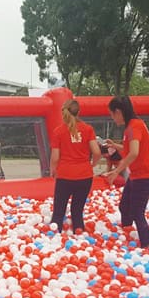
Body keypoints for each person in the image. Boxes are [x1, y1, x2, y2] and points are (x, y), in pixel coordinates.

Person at [103, 96, 149, 248]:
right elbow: (131, 149)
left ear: (119, 112)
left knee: (137, 212)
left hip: (144, 175)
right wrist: (115, 144)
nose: (113, 118)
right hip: (137, 175)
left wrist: (116, 171)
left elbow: (134, 153)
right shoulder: (132, 126)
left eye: (112, 114)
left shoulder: (134, 126)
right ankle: (127, 236)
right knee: (124, 207)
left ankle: (145, 247)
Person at [48, 99, 100, 234]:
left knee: (59, 211)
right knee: (77, 210)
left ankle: (55, 236)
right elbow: (96, 152)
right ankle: (79, 234)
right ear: (79, 112)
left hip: (65, 175)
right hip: (84, 175)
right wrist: (92, 164)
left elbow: (55, 157)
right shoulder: (88, 129)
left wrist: (53, 169)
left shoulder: (59, 131)